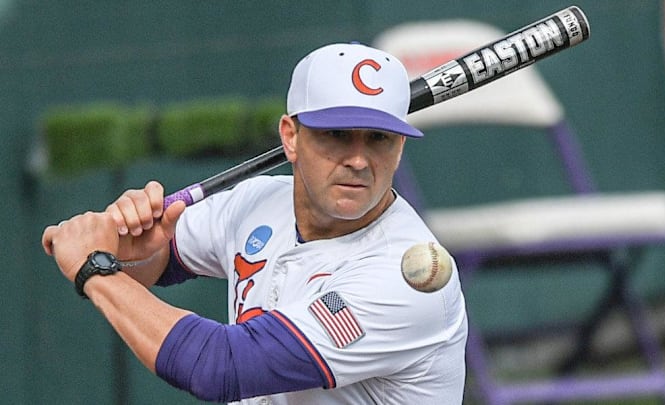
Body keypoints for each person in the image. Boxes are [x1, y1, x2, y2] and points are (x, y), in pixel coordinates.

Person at [42, 42, 468, 404]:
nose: (358, 159)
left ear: (398, 149)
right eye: (336, 134)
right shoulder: (256, 201)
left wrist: (95, 269)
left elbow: (220, 366)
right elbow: (154, 266)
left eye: (378, 138)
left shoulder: (404, 277)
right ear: (290, 136)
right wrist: (132, 250)